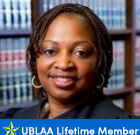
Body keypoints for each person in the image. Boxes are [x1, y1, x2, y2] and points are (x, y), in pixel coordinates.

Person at [0, 3, 139, 119]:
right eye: (50, 51)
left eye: (80, 53)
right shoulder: (13, 123)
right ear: (35, 60)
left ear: (100, 62)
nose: (64, 64)